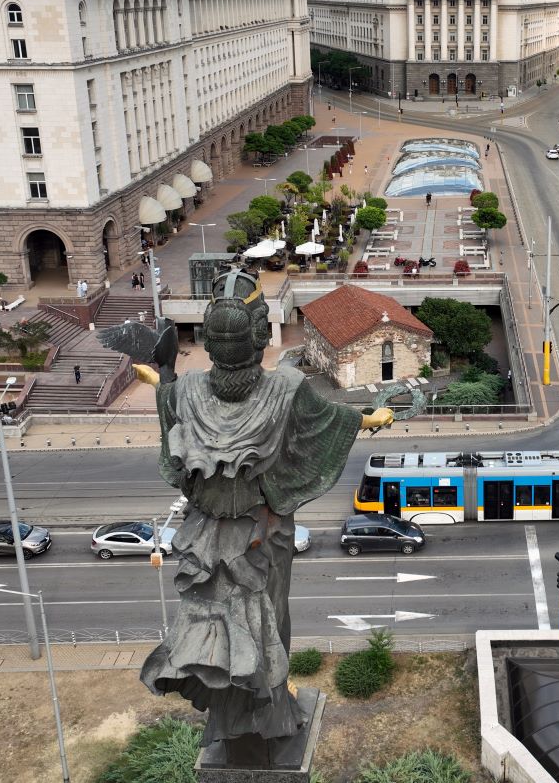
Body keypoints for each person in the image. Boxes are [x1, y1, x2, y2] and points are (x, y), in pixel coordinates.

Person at [125, 269, 394, 759]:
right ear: (258, 333)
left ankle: (230, 713)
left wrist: (161, 378)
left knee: (210, 621)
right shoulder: (287, 388)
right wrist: (372, 418)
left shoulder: (184, 393)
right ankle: (268, 708)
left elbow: (174, 438)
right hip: (262, 533)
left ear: (210, 339)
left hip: (205, 535)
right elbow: (329, 422)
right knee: (270, 617)